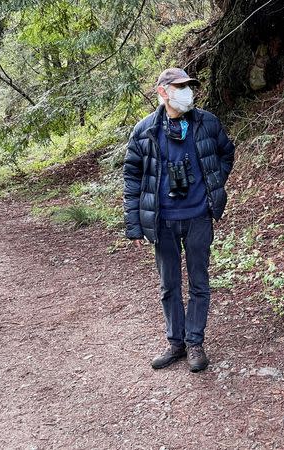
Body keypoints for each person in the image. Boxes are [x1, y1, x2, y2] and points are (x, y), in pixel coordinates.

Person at [123, 67, 235, 373]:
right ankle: (176, 343)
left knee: (199, 282)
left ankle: (195, 341)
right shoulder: (146, 130)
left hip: (199, 215)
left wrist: (214, 182)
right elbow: (132, 177)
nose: (187, 92)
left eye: (190, 86)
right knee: (168, 285)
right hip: (163, 221)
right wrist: (134, 224)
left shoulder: (206, 122)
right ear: (162, 91)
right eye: (180, 87)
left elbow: (227, 152)